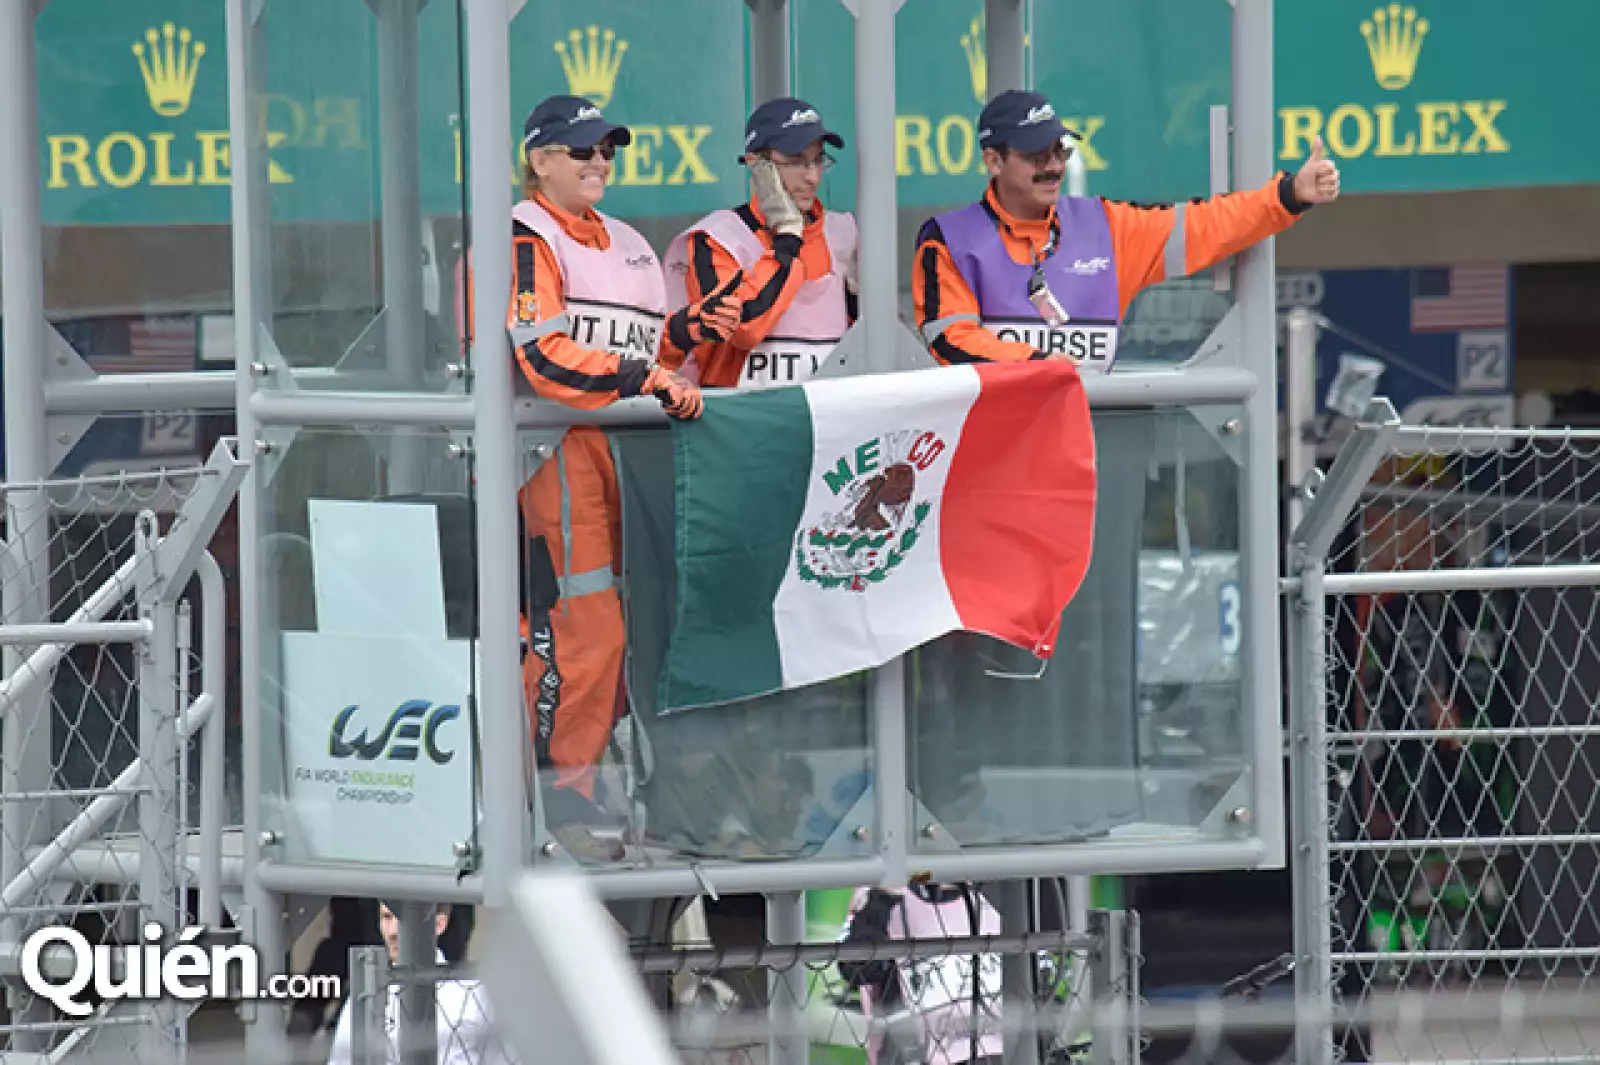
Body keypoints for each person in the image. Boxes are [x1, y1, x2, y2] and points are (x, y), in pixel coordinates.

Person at [504, 94, 742, 861]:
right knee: (576, 630)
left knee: (637, 631)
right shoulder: (523, 233)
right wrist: (644, 374)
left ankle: (609, 792)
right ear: (540, 160)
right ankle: (550, 802)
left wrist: (686, 334)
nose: (599, 161)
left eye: (607, 149)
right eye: (581, 150)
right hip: (553, 453)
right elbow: (541, 356)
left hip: (630, 452)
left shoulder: (633, 244)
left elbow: (646, 352)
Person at [914, 89, 1341, 370]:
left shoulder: (1107, 226)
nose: (1054, 166)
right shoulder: (948, 240)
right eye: (1034, 155)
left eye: (1059, 150)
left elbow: (1206, 226)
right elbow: (951, 340)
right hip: (995, 465)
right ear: (993, 161)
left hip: (1103, 455)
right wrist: (1043, 364)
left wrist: (1288, 194)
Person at [662, 96, 857, 390]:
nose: (812, 177)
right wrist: (788, 237)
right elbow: (744, 328)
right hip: (743, 425)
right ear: (758, 167)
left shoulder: (845, 233)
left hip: (828, 425)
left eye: (818, 160)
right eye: (796, 162)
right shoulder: (717, 239)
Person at [325, 903, 514, 1065]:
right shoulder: (366, 992)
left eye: (403, 919)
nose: (393, 931)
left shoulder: (473, 993)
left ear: (439, 924)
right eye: (387, 917)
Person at [840, 883, 1003, 1065]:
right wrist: (881, 900)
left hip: (1000, 1049)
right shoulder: (876, 891)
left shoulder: (1000, 885)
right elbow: (855, 969)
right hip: (912, 1052)